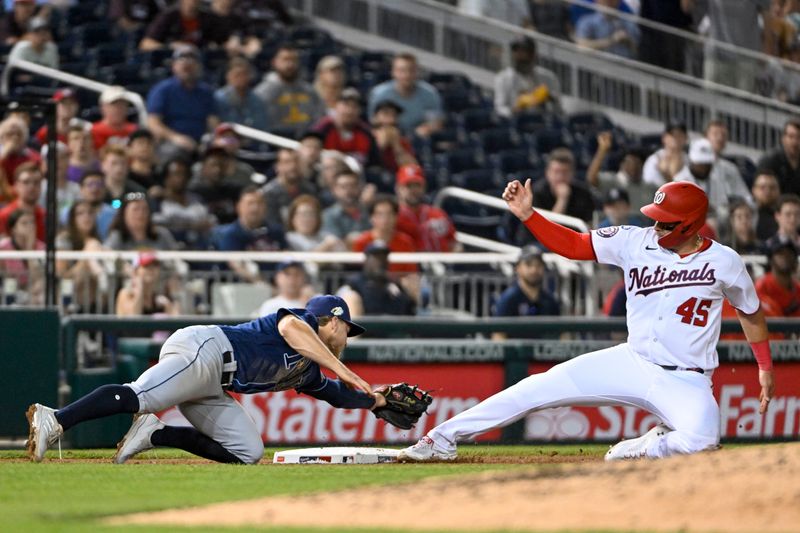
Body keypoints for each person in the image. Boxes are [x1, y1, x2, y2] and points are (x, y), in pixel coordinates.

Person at [399, 179, 775, 462]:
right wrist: (530, 215)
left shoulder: (724, 261)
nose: (655, 227)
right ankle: (441, 439)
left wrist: (764, 366)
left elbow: (750, 312)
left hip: (688, 377)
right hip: (633, 360)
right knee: (536, 388)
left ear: (689, 225)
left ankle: (644, 446)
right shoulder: (633, 240)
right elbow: (574, 245)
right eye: (656, 220)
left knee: (702, 441)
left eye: (665, 223)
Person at [26, 294, 391, 464]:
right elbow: (291, 328)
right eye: (347, 329)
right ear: (333, 320)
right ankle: (55, 419)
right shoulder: (302, 320)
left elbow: (334, 395)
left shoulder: (309, 369)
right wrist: (345, 371)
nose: (348, 338)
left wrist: (374, 401)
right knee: (142, 395)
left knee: (248, 452)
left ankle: (155, 433)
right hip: (207, 350)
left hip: (214, 383)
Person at [146, 45, 218, 160]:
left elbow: (213, 121)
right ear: (174, 66)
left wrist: (214, 139)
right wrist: (175, 138)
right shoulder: (162, 90)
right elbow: (153, 123)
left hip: (200, 141)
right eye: (182, 63)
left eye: (191, 63)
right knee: (176, 151)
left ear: (199, 66)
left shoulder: (206, 92)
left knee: (219, 153)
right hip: (170, 141)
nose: (187, 66)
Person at [673, 138, 753, 232]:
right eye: (699, 163)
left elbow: (723, 207)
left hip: (718, 224)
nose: (703, 167)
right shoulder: (679, 180)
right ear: (691, 161)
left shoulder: (717, 178)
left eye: (706, 164)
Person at [211, 186, 287, 283]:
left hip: (277, 285)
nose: (255, 208)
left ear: (265, 207)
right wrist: (264, 287)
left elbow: (286, 257)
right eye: (250, 203)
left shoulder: (276, 231)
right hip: (242, 288)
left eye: (259, 203)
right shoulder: (231, 234)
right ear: (238, 207)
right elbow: (237, 264)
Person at [491, 245, 560, 341]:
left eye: (538, 265)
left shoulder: (550, 301)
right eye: (528, 265)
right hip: (515, 354)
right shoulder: (508, 299)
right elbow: (498, 336)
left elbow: (562, 334)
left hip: (544, 354)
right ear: (518, 268)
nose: (534, 270)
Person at [253, 43, 324, 136]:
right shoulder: (262, 92)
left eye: (294, 60)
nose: (290, 64)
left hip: (305, 142)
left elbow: (319, 120)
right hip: (273, 141)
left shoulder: (310, 91)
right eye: (285, 59)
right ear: (274, 62)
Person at [368, 53, 443, 137]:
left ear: (417, 72)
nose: (406, 75)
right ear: (393, 72)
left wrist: (428, 128)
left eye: (411, 70)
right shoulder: (380, 93)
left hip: (418, 139)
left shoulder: (430, 94)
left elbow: (436, 122)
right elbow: (373, 122)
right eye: (401, 71)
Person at [338, 240, 416, 317]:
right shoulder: (355, 283)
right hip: (367, 327)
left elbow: (409, 312)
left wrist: (410, 294)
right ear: (367, 259)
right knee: (351, 297)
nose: (381, 262)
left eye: (384, 257)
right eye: (377, 257)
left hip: (394, 327)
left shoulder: (395, 284)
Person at [152, 158, 215, 250]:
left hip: (199, 248)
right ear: (166, 178)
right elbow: (156, 226)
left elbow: (211, 222)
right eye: (176, 174)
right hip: (170, 249)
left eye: (184, 174)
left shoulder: (197, 199)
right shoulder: (158, 201)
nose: (181, 178)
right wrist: (191, 226)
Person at [56, 200, 106, 313]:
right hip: (70, 294)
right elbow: (62, 275)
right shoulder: (63, 240)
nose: (86, 217)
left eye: (90, 213)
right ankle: (98, 271)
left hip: (94, 299)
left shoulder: (98, 241)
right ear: (72, 219)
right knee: (91, 246)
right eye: (80, 214)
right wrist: (85, 256)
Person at [395, 164, 458, 252]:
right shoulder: (393, 216)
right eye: (409, 186)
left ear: (424, 187)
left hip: (443, 262)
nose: (414, 190)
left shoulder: (437, 214)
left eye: (418, 185)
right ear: (398, 189)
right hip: (411, 263)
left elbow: (454, 243)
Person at [313, 88, 382, 168]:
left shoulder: (366, 133)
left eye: (354, 107)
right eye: (346, 105)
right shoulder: (322, 129)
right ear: (336, 106)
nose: (349, 111)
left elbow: (375, 163)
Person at [494, 37, 561, 118]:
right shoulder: (503, 78)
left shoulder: (548, 77)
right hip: (516, 123)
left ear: (532, 55)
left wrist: (548, 99)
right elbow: (499, 108)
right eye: (516, 51)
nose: (519, 55)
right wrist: (513, 111)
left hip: (542, 121)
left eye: (523, 51)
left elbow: (558, 109)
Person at [586, 131, 655, 210]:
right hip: (619, 221)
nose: (633, 167)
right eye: (629, 162)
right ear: (622, 164)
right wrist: (602, 150)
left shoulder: (649, 187)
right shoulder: (613, 181)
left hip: (643, 221)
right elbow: (591, 179)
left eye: (637, 163)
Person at [351, 194, 418, 274]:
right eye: (380, 214)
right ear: (371, 218)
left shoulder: (406, 242)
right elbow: (356, 272)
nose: (385, 219)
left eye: (389, 214)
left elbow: (411, 272)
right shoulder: (361, 242)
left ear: (396, 217)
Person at [530, 147, 596, 224]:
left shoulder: (583, 193)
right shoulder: (537, 193)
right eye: (556, 172)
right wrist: (562, 200)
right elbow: (545, 229)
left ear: (572, 173)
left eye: (565, 172)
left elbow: (589, 224)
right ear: (548, 173)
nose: (560, 177)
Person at [261, 148, 317, 227]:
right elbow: (272, 225)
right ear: (278, 167)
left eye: (296, 161)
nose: (293, 166)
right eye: (287, 162)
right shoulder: (267, 194)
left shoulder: (310, 190)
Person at [104, 192, 178, 251]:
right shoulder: (117, 237)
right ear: (124, 214)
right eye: (135, 210)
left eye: (144, 209)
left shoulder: (162, 234)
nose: (141, 214)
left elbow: (176, 258)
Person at [0, 208, 44, 304]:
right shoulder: (3, 248)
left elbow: (37, 278)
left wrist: (29, 249)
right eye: (24, 223)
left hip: (33, 292)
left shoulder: (42, 248)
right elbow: (6, 277)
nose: (30, 226)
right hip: (9, 291)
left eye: (32, 223)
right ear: (13, 229)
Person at [214, 57, 269, 132]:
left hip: (252, 138)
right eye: (237, 75)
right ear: (228, 76)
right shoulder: (219, 98)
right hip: (227, 138)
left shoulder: (256, 100)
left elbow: (260, 125)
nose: (241, 78)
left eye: (244, 74)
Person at [116, 252, 180, 316]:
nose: (151, 269)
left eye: (155, 265)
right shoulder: (125, 294)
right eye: (146, 266)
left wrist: (169, 304)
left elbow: (176, 319)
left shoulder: (160, 299)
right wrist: (139, 287)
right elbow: (133, 319)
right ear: (136, 270)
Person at [321, 170, 373, 246]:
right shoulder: (327, 215)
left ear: (360, 187)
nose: (349, 191)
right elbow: (335, 245)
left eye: (353, 185)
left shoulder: (370, 212)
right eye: (343, 187)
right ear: (334, 190)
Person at [574, 0, 640, 59]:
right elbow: (581, 47)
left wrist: (628, 41)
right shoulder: (587, 22)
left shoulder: (629, 24)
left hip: (624, 69)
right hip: (595, 68)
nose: (609, 1)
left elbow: (636, 52)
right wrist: (612, 40)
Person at [0, 162, 45, 240]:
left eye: (36, 182)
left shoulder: (46, 216)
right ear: (16, 185)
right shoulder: (3, 216)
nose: (31, 187)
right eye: (26, 182)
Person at [755, 240, 800, 317]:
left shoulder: (797, 288)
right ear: (771, 259)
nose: (785, 257)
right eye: (780, 253)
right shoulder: (762, 286)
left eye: (789, 253)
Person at [757, 117, 800, 196]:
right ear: (783, 139)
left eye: (798, 137)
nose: (795, 142)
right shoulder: (770, 161)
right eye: (791, 137)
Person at [371, 100, 417, 173]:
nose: (390, 120)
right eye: (386, 114)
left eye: (394, 116)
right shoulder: (366, 137)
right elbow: (367, 161)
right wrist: (381, 144)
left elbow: (412, 169)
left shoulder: (402, 141)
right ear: (375, 118)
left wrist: (396, 145)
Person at [90, 86, 138, 151]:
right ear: (103, 107)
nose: (118, 109)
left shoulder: (135, 131)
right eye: (114, 104)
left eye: (122, 104)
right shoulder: (93, 132)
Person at [642, 121, 688, 187]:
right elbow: (649, 186)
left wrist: (669, 175)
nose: (676, 138)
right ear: (664, 138)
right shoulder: (654, 159)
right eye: (672, 134)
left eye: (680, 135)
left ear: (686, 138)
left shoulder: (690, 161)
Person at [0, 116, 41, 185]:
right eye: (10, 134)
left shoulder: (32, 156)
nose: (15, 137)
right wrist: (4, 154)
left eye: (19, 134)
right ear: (2, 137)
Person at [752, 171, 781, 241]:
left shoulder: (787, 214)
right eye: (762, 187)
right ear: (753, 190)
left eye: (772, 187)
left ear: (779, 190)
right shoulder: (747, 214)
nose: (767, 191)